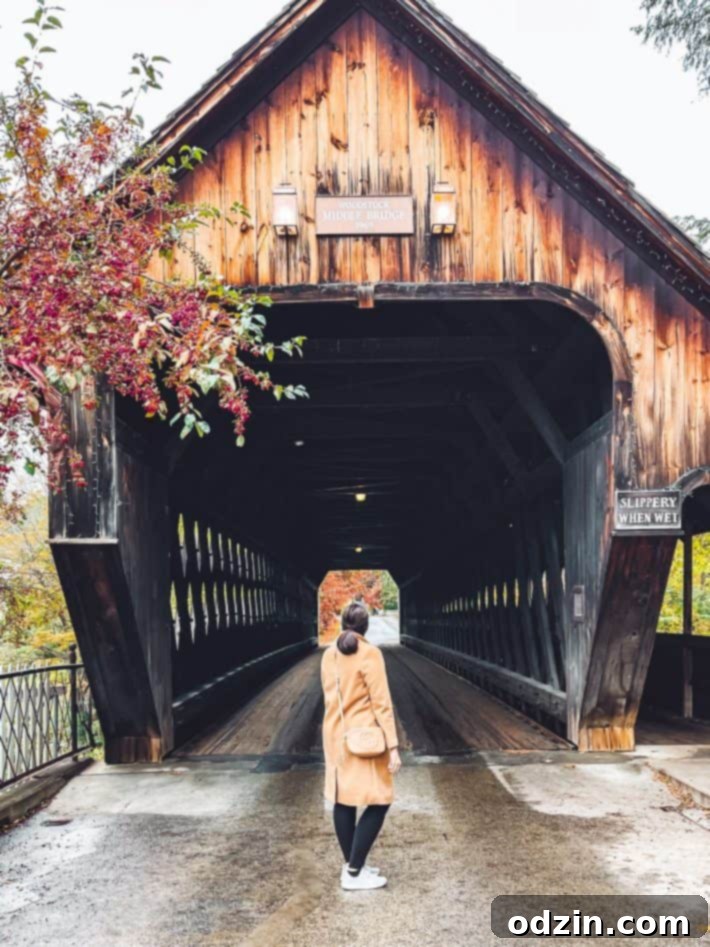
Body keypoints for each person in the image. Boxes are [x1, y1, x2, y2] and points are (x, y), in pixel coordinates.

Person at [321, 601, 402, 890]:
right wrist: (393, 746)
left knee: (343, 799)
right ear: (366, 627)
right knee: (380, 799)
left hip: (335, 735)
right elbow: (382, 704)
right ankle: (354, 871)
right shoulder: (370, 654)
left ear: (343, 624)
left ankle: (352, 865)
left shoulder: (329, 654)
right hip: (363, 738)